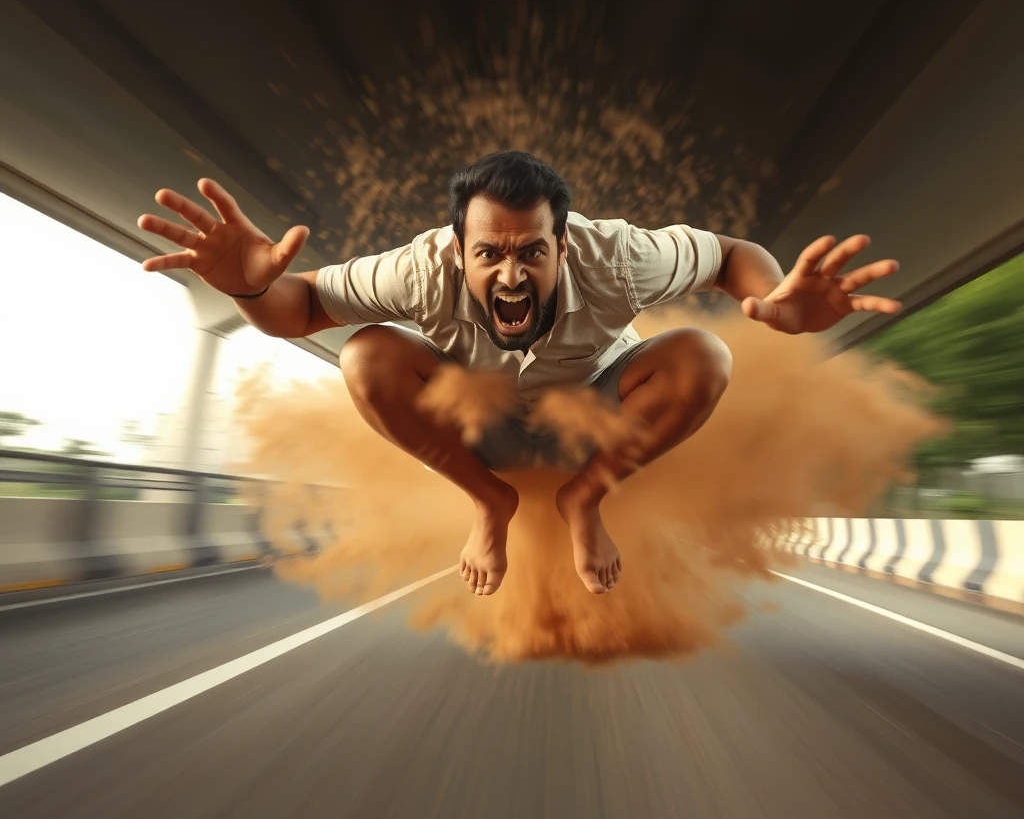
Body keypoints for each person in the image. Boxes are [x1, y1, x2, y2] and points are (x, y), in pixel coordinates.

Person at [138, 151, 901, 597]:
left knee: (709, 356)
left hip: (596, 416)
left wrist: (776, 304)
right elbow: (298, 308)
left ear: (564, 247)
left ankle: (584, 498)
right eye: (489, 254)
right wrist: (247, 287)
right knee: (366, 354)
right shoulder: (418, 270)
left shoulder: (620, 256)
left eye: (531, 252)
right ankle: (489, 502)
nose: (510, 273)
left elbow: (734, 255)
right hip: (483, 426)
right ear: (456, 249)